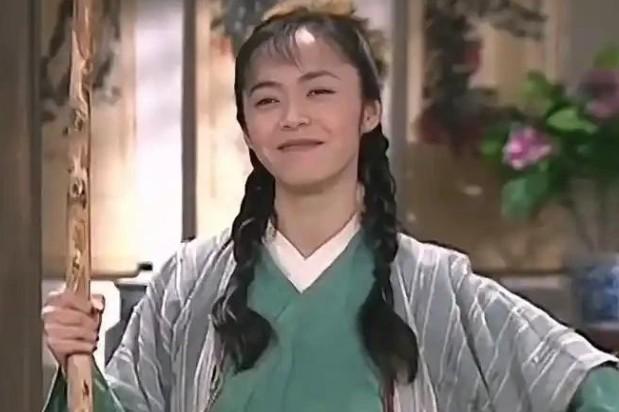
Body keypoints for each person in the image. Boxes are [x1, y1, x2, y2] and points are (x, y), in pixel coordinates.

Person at [42, 3, 619, 412]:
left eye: (319, 91)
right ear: (247, 127)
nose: (293, 117)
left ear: (369, 112)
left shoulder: (435, 286)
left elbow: (583, 386)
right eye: (267, 100)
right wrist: (77, 362)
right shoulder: (186, 285)